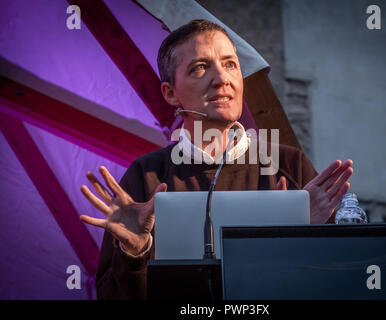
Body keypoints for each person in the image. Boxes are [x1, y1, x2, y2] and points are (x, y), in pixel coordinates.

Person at [79, 20, 353, 299]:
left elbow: (339, 281)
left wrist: (299, 237)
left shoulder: (288, 165)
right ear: (170, 93)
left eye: (230, 64)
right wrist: (133, 253)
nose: (222, 78)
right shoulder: (147, 176)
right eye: (200, 67)